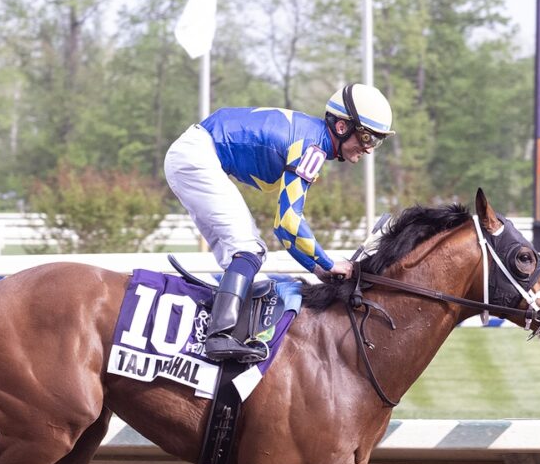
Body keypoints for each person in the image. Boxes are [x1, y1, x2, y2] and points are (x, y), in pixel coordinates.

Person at [164, 83, 395, 362]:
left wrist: (318, 267)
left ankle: (223, 329)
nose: (368, 150)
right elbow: (287, 223)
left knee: (246, 253)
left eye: (376, 142)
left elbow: (286, 227)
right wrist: (327, 263)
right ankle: (219, 337)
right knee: (248, 249)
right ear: (343, 127)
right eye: (368, 138)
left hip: (196, 152)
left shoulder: (312, 137)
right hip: (198, 155)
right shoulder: (313, 148)